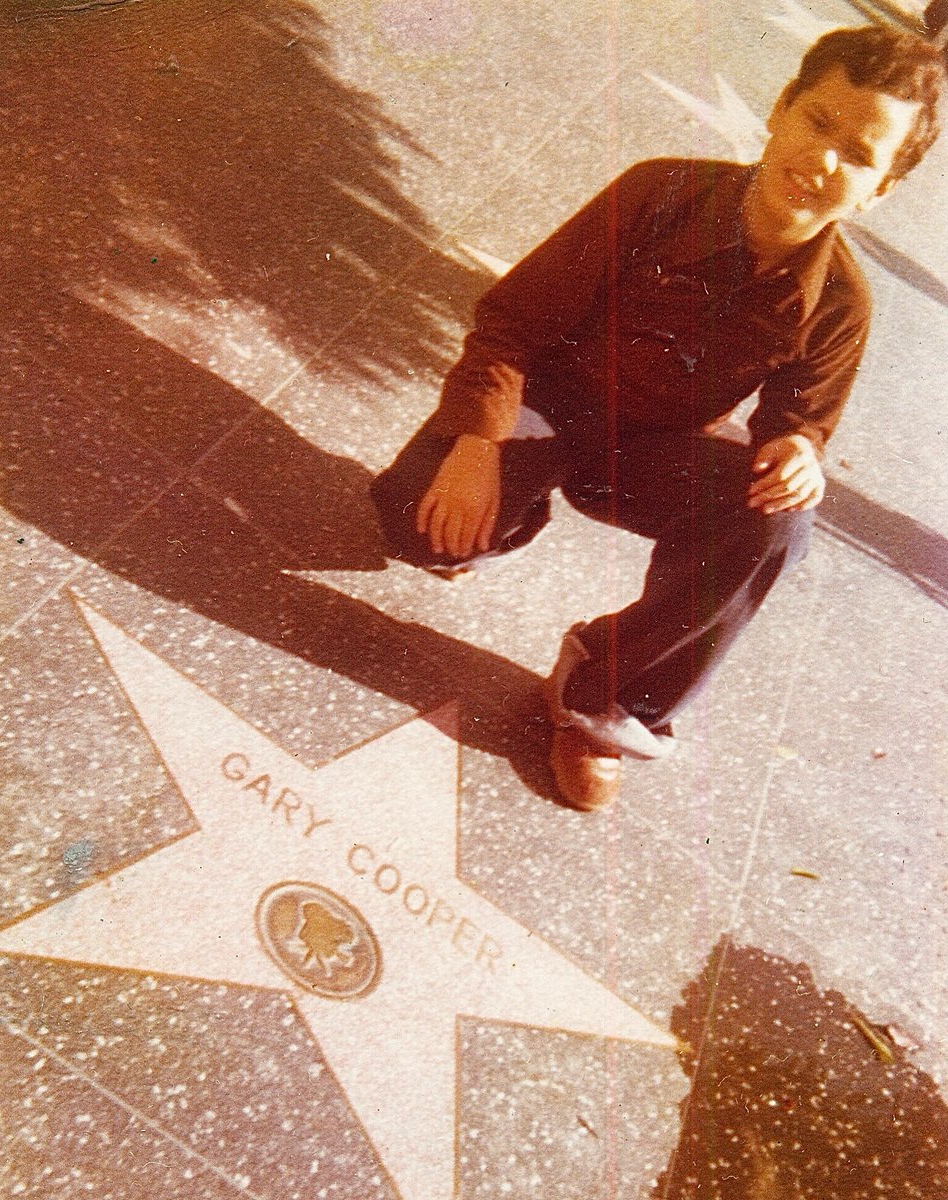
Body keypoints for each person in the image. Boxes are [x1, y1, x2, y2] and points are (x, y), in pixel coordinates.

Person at [372, 26, 946, 810]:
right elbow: (511, 324)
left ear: (880, 189)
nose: (824, 160)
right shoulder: (660, 193)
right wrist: (478, 446)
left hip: (643, 455)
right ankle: (511, 508)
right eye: (818, 123)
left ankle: (602, 700)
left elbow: (802, 417)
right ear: (781, 109)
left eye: (860, 154)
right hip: (541, 403)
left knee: (780, 522)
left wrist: (798, 448)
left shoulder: (841, 300)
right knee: (413, 523)